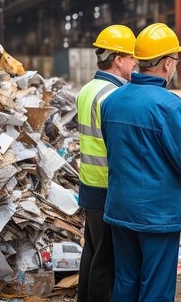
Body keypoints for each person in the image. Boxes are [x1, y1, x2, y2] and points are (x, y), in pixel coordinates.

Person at [101, 23, 181, 302]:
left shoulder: (112, 100)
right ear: (167, 64)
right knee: (156, 289)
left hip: (120, 207)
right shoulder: (169, 105)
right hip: (157, 214)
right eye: (175, 61)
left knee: (125, 281)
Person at [76, 25, 137, 302]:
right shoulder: (113, 96)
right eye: (133, 58)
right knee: (107, 263)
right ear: (119, 59)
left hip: (89, 184)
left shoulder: (87, 89)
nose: (136, 63)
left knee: (92, 253)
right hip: (107, 186)